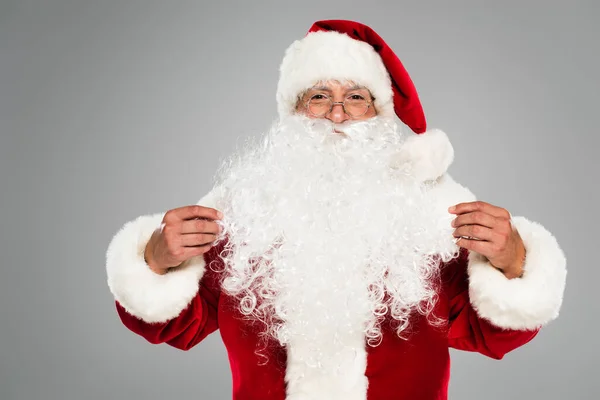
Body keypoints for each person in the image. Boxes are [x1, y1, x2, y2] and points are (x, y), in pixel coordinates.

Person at [105, 20, 567, 400]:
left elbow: (490, 333)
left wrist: (513, 262)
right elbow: (177, 326)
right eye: (319, 97)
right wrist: (155, 261)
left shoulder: (427, 214)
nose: (338, 115)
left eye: (357, 98)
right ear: (294, 114)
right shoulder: (246, 212)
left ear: (381, 116)